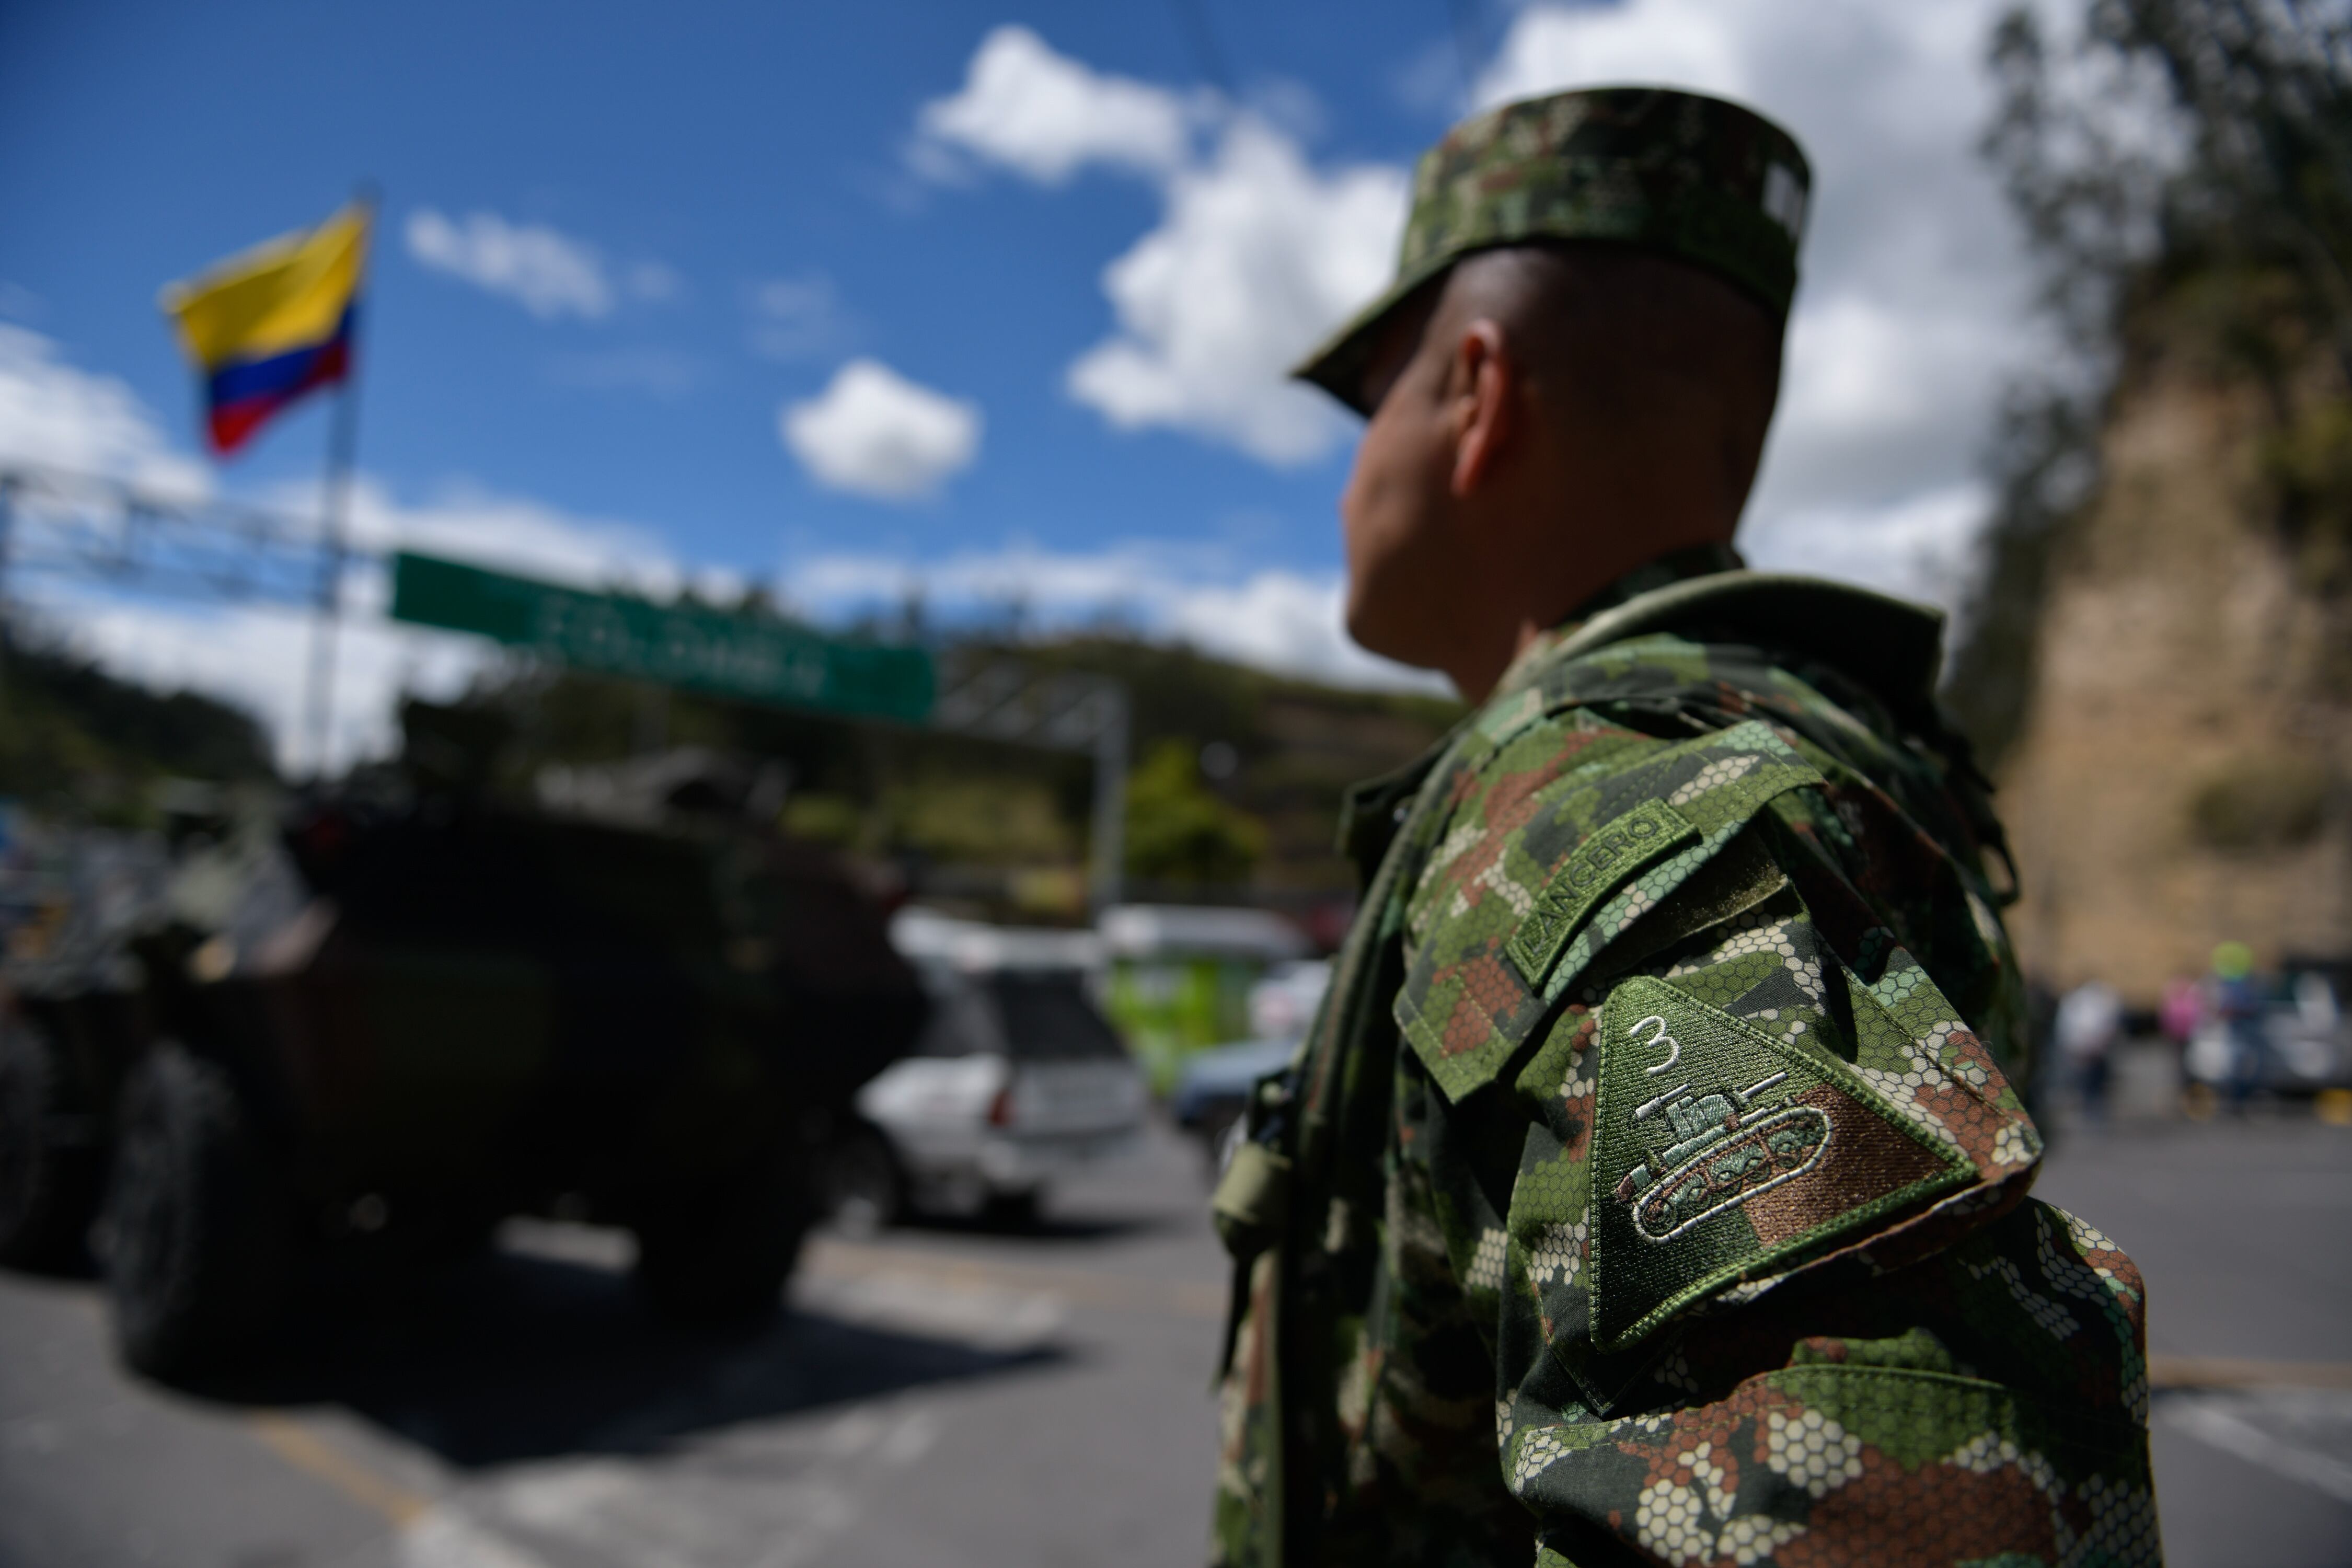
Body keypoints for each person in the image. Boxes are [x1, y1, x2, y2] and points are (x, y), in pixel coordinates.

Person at [1207, 87, 2155, 1567]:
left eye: (1372, 397)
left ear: (1475, 392)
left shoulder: (1597, 811)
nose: (1344, 476)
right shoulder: (1741, 754)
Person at [2056, 978, 2124, 1123]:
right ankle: (2092, 1107)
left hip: (2086, 1045)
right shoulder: (2094, 1000)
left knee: (2091, 1079)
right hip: (2091, 1045)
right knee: (2090, 1079)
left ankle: (2092, 1107)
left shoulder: (2077, 1000)